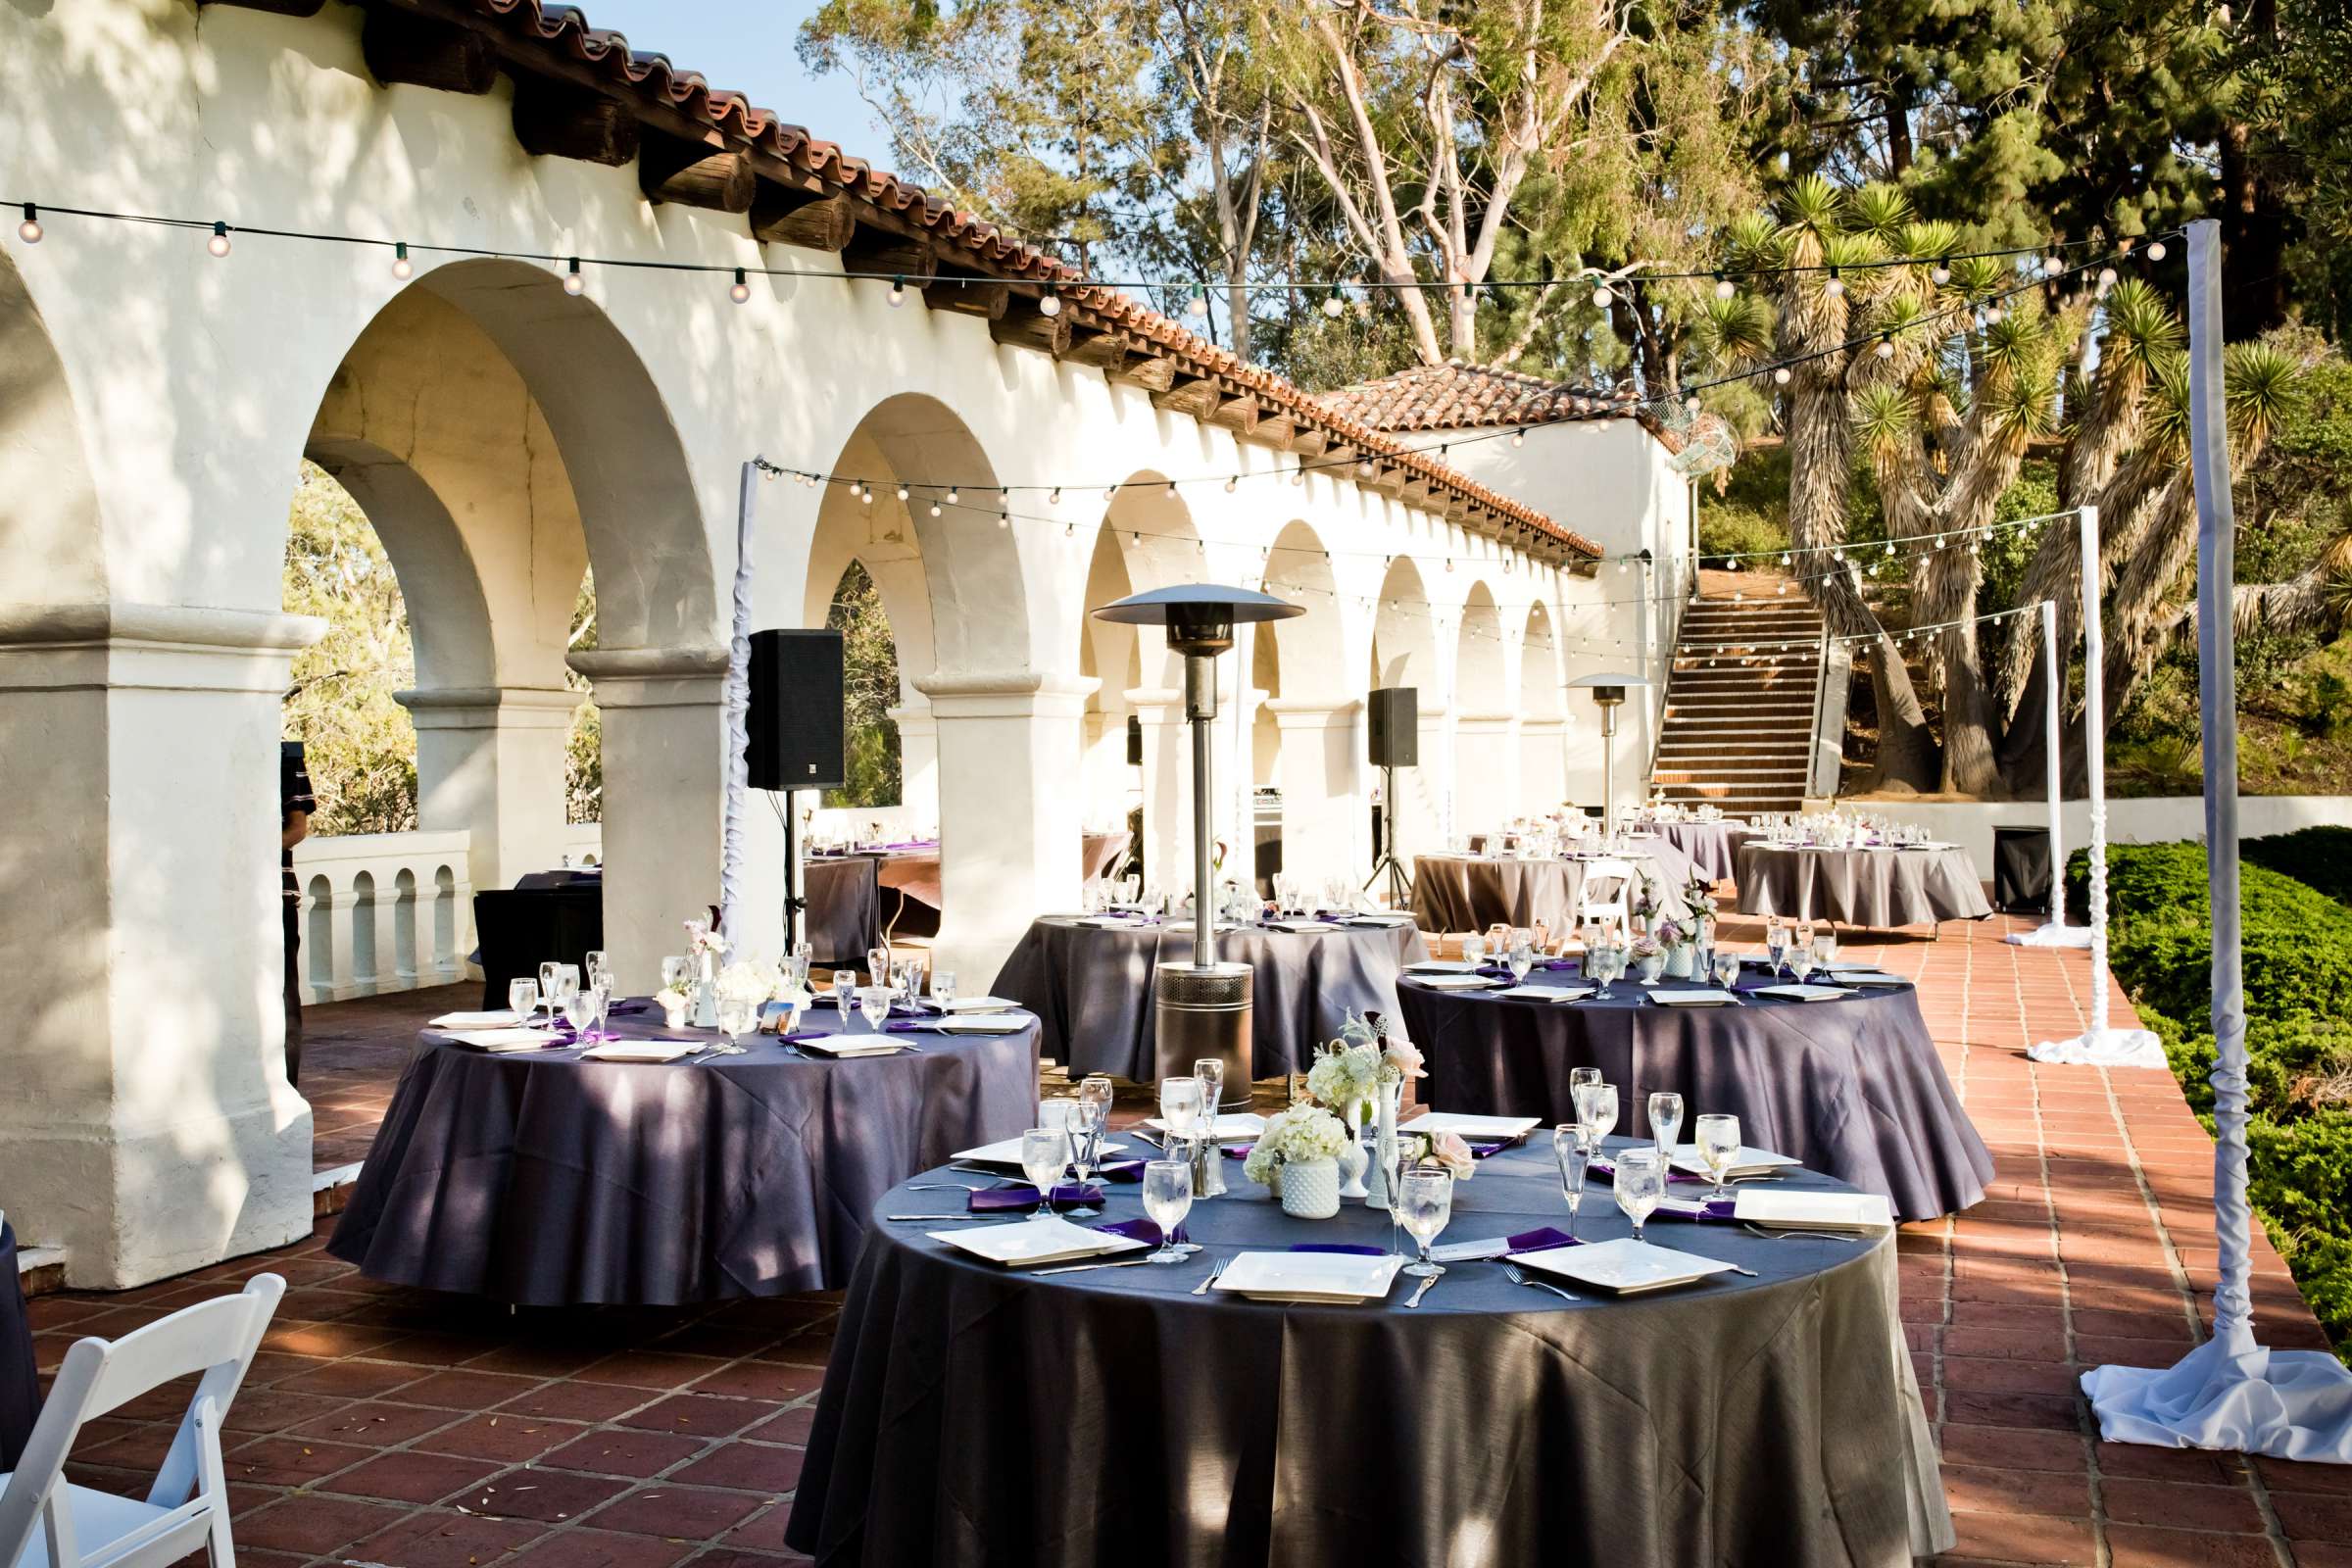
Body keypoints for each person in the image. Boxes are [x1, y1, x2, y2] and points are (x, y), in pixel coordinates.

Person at [280, 741, 315, 1088]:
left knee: (285, 994)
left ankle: (288, 1084)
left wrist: (257, 852)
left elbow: (297, 827)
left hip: (277, 894)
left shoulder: (286, 759)